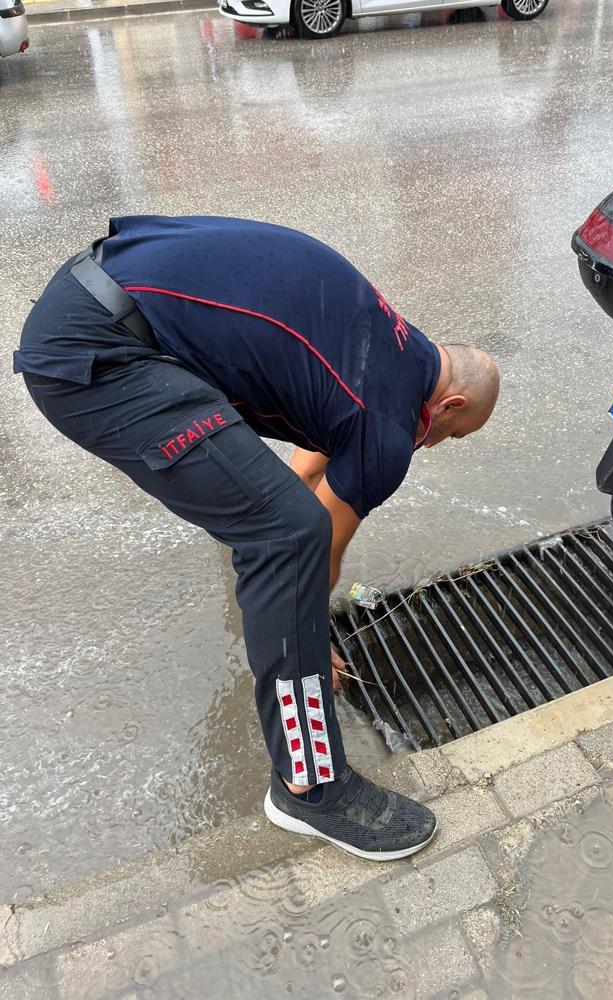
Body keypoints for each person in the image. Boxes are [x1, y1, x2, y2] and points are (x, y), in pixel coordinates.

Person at [14, 216, 499, 861]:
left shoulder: (383, 340)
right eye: (450, 437)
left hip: (95, 297)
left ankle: (278, 641)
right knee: (287, 535)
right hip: (102, 359)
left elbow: (299, 472)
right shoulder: (389, 429)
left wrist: (283, 595)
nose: (436, 445)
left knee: (272, 520)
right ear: (451, 408)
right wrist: (307, 633)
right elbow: (313, 536)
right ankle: (309, 788)